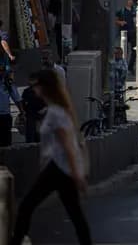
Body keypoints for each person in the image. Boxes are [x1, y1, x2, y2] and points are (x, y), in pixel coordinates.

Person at [11, 69, 91, 245]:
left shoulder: (56, 113)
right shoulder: (56, 110)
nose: (34, 90)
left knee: (26, 206)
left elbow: (68, 146)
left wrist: (78, 176)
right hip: (61, 168)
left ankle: (15, 241)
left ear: (45, 87)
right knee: (75, 214)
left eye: (36, 86)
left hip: (58, 168)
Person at [21, 72, 46, 143]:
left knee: (40, 136)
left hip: (40, 116)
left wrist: (44, 110)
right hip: (30, 116)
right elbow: (23, 103)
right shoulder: (27, 91)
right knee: (30, 136)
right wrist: (24, 112)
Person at [0, 65, 21, 147]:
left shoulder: (8, 84)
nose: (0, 72)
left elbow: (17, 99)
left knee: (6, 141)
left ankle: (5, 158)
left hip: (5, 116)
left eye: (2, 70)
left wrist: (22, 112)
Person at [115, 0, 137, 72]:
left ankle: (130, 67)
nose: (130, 1)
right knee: (124, 50)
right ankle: (123, 65)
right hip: (124, 32)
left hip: (133, 32)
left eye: (131, 0)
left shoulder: (135, 9)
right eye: (128, 0)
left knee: (134, 50)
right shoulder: (121, 10)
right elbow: (115, 20)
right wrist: (120, 22)